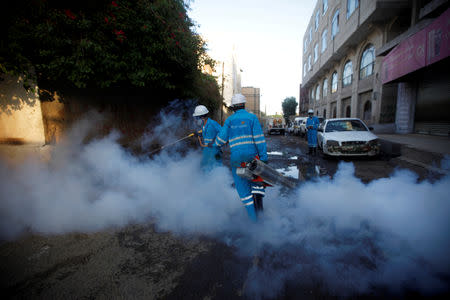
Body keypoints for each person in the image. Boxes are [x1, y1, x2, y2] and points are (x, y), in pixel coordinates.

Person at [214, 94, 268, 221]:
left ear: (233, 107)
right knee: (256, 184)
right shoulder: (252, 118)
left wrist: (216, 146)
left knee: (243, 188)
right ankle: (261, 215)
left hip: (237, 161)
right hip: (253, 159)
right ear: (244, 104)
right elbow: (259, 140)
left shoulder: (229, 120)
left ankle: (253, 220)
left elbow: (220, 140)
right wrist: (264, 157)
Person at [192, 105, 222, 171]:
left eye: (197, 118)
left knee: (216, 170)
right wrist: (199, 134)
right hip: (207, 151)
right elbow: (207, 134)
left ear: (201, 117)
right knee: (204, 168)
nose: (196, 120)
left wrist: (214, 141)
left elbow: (223, 133)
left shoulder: (212, 123)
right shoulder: (204, 125)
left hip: (215, 151)